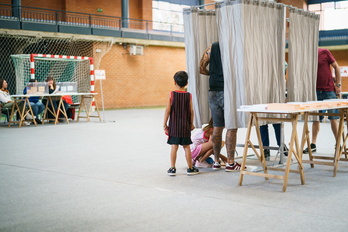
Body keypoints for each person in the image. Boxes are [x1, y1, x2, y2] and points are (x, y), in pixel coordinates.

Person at [200, 41, 241, 171]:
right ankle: (230, 163)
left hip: (213, 90)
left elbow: (201, 67)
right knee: (232, 126)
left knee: (217, 127)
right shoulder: (233, 46)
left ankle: (217, 161)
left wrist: (212, 75)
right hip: (227, 91)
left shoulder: (212, 48)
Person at [303, 48, 341, 153]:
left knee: (333, 118)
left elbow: (337, 67)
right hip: (315, 91)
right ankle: (313, 144)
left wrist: (338, 84)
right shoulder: (307, 54)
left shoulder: (324, 52)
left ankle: (338, 143)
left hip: (328, 90)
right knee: (316, 119)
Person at [163, 71, 199, 176]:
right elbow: (191, 111)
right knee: (186, 147)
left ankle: (172, 168)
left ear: (174, 82)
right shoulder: (189, 96)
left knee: (174, 146)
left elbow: (167, 110)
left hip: (174, 126)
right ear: (187, 83)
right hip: (185, 126)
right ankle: (190, 168)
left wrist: (165, 123)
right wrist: (191, 123)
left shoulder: (171, 94)